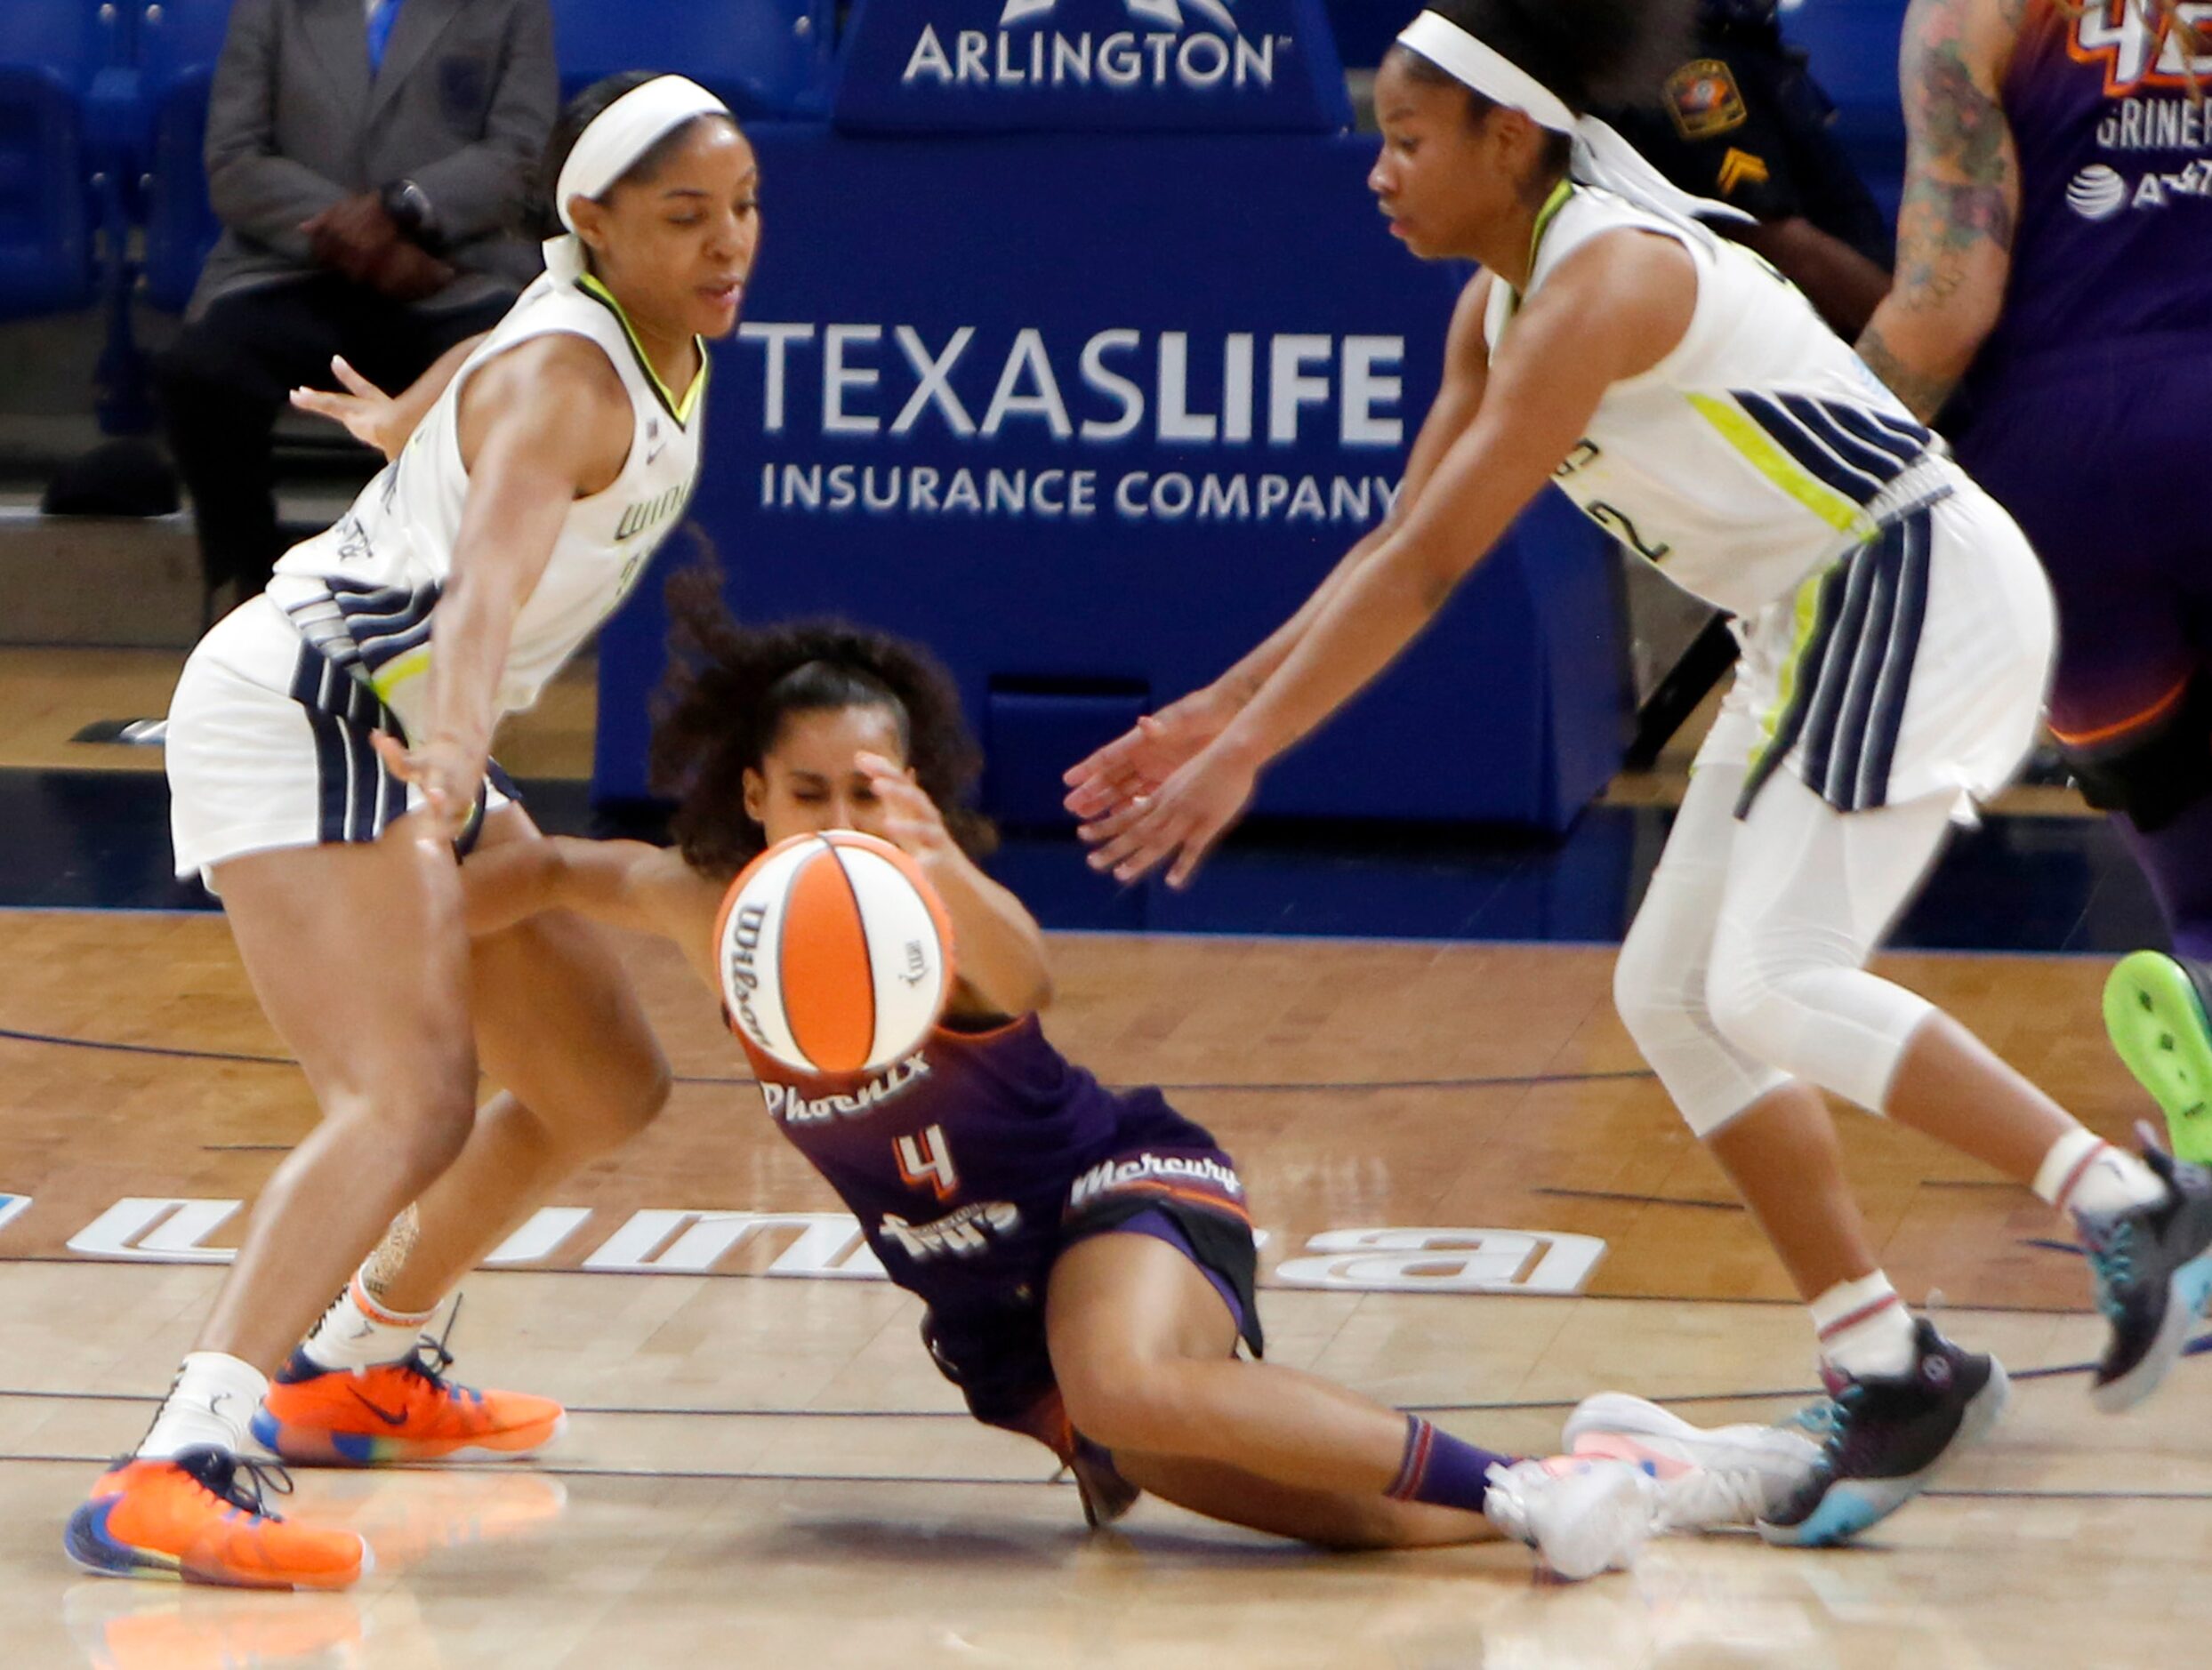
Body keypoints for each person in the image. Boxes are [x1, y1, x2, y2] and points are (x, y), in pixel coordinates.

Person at [1063, 0, 2212, 1548]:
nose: (1378, 171)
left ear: (1507, 137)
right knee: (1671, 994)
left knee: (1772, 979)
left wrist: (1252, 751)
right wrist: (1214, 708)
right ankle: (1889, 1359)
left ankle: (2130, 1202)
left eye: (1407, 140)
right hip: (1805, 621)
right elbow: (1393, 546)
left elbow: (1431, 573)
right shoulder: (1496, 308)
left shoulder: (1609, 273)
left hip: (1911, 584)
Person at [449, 579, 1709, 1579]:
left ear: (920, 794)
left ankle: (1514, 1484)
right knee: (1353, 1522)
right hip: (1000, 1317)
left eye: (872, 790)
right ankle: (1613, 1478)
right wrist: (394, 914)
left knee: (1127, 1381)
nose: (840, 815)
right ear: (751, 792)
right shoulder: (705, 907)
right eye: (809, 790)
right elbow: (558, 870)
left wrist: (933, 860)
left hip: (1119, 1196)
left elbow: (1029, 972)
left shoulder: (938, 919)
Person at [67, 73, 757, 1591]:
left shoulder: (589, 330)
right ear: (596, 223)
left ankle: (358, 1360)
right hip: (315, 704)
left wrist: (404, 422)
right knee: (407, 1098)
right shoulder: (567, 379)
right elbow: (495, 574)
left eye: (745, 208)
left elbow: (480, 362)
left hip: (399, 722)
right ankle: (181, 1455)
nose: (727, 244)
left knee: (599, 1078)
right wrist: (455, 747)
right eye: (687, 217)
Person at [1849, 0, 2212, 1164]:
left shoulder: (1970, 13)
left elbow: (1942, 309)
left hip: (2060, 491)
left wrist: (1807, 502)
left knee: (2186, 856)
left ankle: (2201, 1000)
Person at [157, 0, 557, 612]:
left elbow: (521, 158)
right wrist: (360, 240)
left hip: (452, 273)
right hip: (289, 269)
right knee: (203, 372)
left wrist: (404, 208)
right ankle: (253, 586)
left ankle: (457, 597)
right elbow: (236, 162)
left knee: (510, 373)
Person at [1597, 0, 1894, 336]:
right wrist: (1914, 333)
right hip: (1817, 358)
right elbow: (1768, 237)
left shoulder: (1736, 38)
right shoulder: (1694, 60)